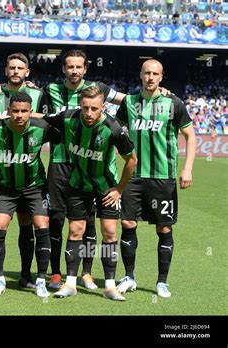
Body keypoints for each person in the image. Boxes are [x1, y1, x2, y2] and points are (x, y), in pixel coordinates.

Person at [45, 86, 137, 301]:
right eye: (85, 108)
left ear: (102, 106)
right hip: (78, 183)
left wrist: (119, 189)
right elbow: (41, 117)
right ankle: (70, 283)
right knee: (76, 230)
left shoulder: (113, 128)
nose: (88, 113)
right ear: (80, 105)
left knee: (110, 233)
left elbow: (132, 160)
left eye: (94, 108)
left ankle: (110, 286)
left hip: (106, 187)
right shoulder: (68, 118)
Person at [116, 59, 196, 298]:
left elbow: (190, 136)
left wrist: (188, 168)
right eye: (147, 73)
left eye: (155, 74)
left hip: (163, 176)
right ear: (140, 75)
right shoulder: (129, 102)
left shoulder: (174, 103)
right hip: (134, 176)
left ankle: (162, 282)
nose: (150, 77)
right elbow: (115, 132)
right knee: (127, 223)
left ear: (161, 77)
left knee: (163, 227)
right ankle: (129, 276)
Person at [43, 49, 123, 290]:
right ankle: (56, 272)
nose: (74, 70)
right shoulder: (50, 90)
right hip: (60, 162)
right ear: (64, 69)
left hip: (91, 165)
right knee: (56, 218)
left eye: (79, 66)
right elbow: (40, 114)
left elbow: (128, 100)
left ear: (85, 68)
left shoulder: (98, 89)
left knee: (88, 221)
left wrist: (157, 92)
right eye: (70, 66)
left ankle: (86, 272)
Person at [0, 52, 49, 289]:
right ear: (6, 70)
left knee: (26, 224)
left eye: (20, 68)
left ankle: (27, 274)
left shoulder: (39, 94)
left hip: (30, 173)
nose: (16, 71)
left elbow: (51, 120)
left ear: (27, 72)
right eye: (12, 67)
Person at [0, 91, 58, 298]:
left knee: (41, 227)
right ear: (8, 111)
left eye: (24, 111)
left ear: (31, 112)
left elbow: (66, 129)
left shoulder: (42, 128)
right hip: (5, 187)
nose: (19, 115)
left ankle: (39, 279)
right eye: (15, 111)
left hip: (34, 187)